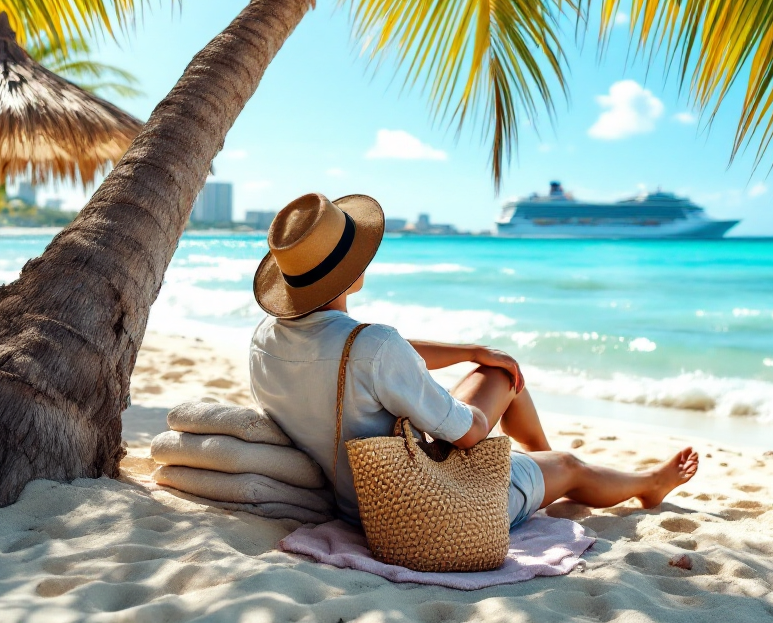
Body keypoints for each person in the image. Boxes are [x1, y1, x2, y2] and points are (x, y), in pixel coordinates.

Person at [249, 193, 698, 529]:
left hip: (352, 501)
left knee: (498, 371)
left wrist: (472, 352)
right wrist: (479, 410)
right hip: (423, 509)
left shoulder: (265, 340)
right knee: (568, 464)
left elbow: (359, 353)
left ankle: (537, 464)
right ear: (352, 269)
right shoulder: (374, 347)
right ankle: (645, 484)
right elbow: (469, 433)